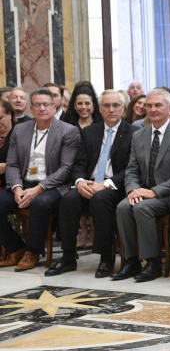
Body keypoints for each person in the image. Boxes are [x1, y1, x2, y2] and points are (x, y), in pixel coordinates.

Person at [51, 90, 139, 277]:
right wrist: (80, 181)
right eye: (106, 105)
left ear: (123, 108)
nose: (111, 110)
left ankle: (106, 259)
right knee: (69, 198)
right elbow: (79, 163)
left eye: (116, 105)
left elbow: (131, 169)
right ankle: (67, 257)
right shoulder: (90, 131)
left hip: (116, 187)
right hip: (89, 184)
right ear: (100, 109)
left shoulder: (134, 133)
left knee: (100, 199)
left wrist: (106, 184)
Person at [113, 89, 170, 281]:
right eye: (149, 105)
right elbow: (131, 169)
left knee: (142, 208)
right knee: (123, 207)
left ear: (169, 108)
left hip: (168, 195)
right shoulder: (139, 135)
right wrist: (133, 190)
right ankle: (132, 261)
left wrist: (154, 192)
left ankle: (152, 262)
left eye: (158, 105)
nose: (153, 109)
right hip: (142, 191)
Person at [0, 88, 79, 273]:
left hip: (54, 185)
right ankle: (16, 247)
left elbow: (66, 169)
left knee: (40, 203)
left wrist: (39, 189)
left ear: (54, 107)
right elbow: (11, 164)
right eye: (37, 105)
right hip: (25, 182)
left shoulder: (68, 131)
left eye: (46, 104)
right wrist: (17, 187)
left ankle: (33, 252)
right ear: (30, 108)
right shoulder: (20, 129)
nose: (42, 108)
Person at [0, 100, 16, 189]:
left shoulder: (21, 133)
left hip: (12, 185)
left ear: (9, 114)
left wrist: (7, 167)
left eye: (0, 118)